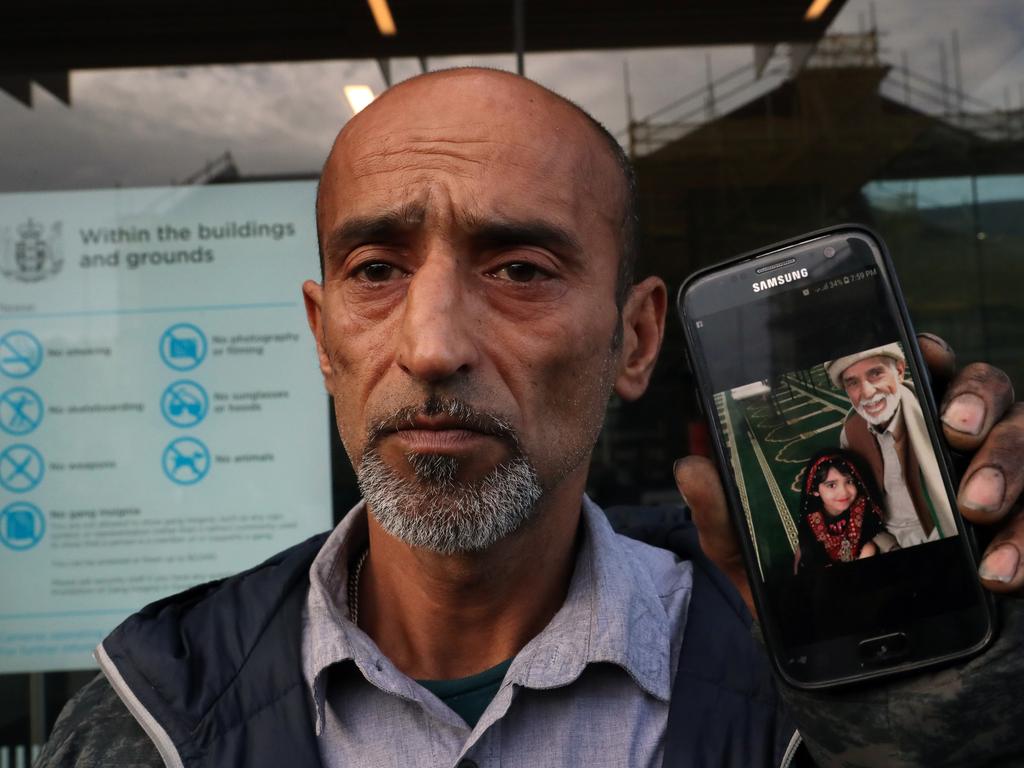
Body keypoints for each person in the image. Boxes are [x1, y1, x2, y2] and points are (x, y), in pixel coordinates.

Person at [36, 69, 1024, 768]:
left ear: (635, 341)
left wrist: (955, 729)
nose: (429, 346)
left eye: (519, 269)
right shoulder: (144, 720)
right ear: (321, 333)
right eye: (375, 271)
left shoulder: (799, 674)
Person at [825, 344, 957, 550]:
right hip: (889, 539)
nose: (867, 392)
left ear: (900, 371)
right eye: (853, 383)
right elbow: (856, 501)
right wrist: (886, 544)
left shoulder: (936, 409)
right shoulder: (850, 431)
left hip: (941, 530)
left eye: (876, 373)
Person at [794, 449, 885, 572]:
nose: (844, 492)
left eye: (849, 481)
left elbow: (868, 538)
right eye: (831, 485)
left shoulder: (862, 507)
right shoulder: (811, 521)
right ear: (815, 490)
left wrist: (867, 550)